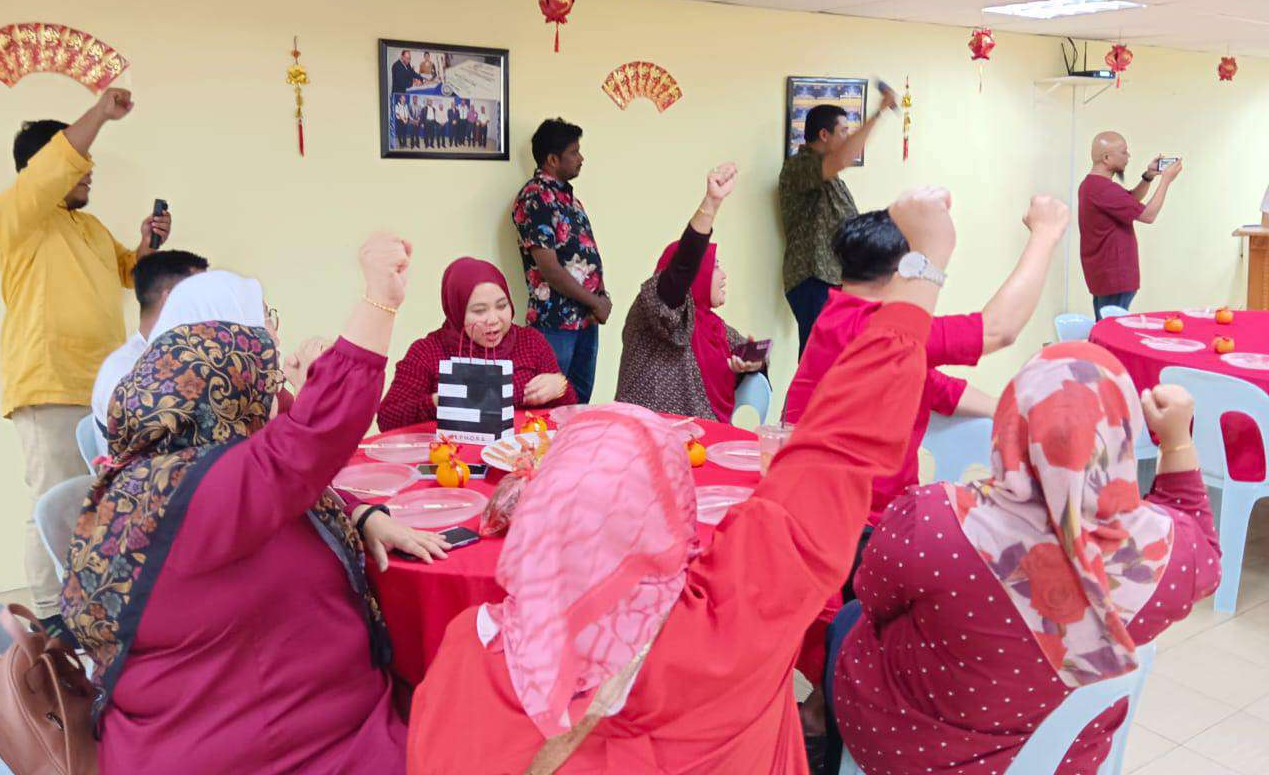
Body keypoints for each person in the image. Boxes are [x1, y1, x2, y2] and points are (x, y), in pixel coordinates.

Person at [409, 187, 960, 775]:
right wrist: (927, 262)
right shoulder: (734, 620)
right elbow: (838, 449)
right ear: (670, 517)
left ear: (537, 523)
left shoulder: (469, 655)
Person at [62, 234, 450, 775]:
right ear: (229, 361)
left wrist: (358, 514)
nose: (275, 338)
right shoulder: (194, 487)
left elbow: (293, 474)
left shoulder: (166, 469)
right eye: (264, 322)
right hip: (279, 749)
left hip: (291, 720)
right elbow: (311, 438)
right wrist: (379, 300)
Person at [831, 345, 1220, 774]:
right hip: (1060, 761)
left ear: (1011, 423)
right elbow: (1204, 544)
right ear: (1121, 437)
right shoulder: (1163, 558)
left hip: (910, 751)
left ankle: (816, 733)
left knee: (847, 618)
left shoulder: (932, 522)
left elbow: (873, 598)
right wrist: (1177, 439)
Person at [785, 194, 1068, 741]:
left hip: (842, 509)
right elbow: (998, 330)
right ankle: (846, 719)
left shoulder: (839, 313)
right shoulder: (869, 324)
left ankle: (830, 709)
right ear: (906, 272)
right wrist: (1046, 233)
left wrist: (1014, 409)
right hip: (848, 522)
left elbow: (931, 383)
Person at [0, 87, 170, 638]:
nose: (89, 169)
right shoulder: (16, 215)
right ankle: (50, 616)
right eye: (78, 160)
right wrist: (99, 115)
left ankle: (95, 602)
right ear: (43, 167)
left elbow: (128, 272)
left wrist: (146, 245)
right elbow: (54, 168)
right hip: (48, 382)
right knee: (53, 502)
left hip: (102, 389)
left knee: (99, 500)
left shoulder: (88, 229)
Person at [616, 163, 765, 421]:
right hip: (647, 434)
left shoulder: (715, 328)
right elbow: (682, 267)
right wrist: (711, 203)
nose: (723, 275)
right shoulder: (655, 308)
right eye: (714, 267)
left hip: (704, 437)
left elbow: (756, 354)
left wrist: (754, 363)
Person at [377, 257, 576, 431]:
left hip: (522, 452)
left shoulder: (530, 341)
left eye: (502, 306)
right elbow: (387, 418)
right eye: (479, 311)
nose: (493, 320)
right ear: (456, 310)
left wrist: (560, 386)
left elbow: (569, 409)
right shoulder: (428, 351)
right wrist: (439, 402)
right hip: (454, 456)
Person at [780, 89, 897, 357]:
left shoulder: (832, 179)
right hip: (813, 278)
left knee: (839, 358)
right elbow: (844, 158)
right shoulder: (798, 168)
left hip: (834, 279)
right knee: (818, 359)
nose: (848, 138)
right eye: (843, 131)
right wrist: (879, 113)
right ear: (824, 135)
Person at [512, 118, 609, 403]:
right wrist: (595, 302)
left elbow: (585, 256)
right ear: (552, 159)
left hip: (585, 320)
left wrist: (601, 298)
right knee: (550, 405)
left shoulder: (569, 199)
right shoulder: (535, 197)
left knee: (578, 404)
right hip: (554, 323)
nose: (581, 159)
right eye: (574, 152)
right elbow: (550, 269)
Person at [90, 249, 209, 456]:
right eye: (202, 295)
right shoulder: (126, 371)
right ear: (171, 299)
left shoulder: (179, 357)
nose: (210, 306)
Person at [1079, 132, 1182, 319]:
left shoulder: (1092, 185)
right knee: (1111, 330)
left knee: (1103, 326)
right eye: (1124, 152)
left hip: (1104, 275)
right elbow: (1148, 215)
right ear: (1106, 158)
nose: (1128, 156)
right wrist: (1166, 181)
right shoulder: (1104, 189)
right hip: (1115, 277)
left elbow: (1129, 201)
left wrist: (1148, 176)